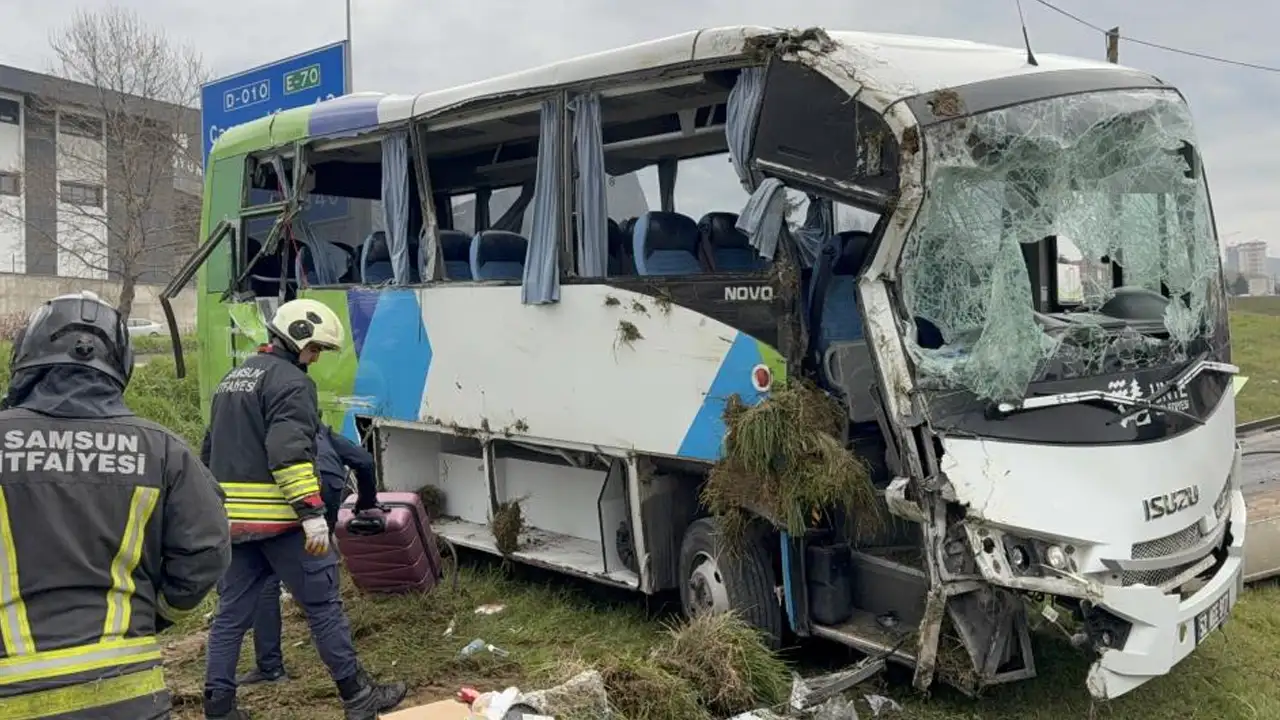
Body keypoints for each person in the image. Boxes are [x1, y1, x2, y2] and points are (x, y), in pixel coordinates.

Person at [0, 291, 230, 719]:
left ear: (27, 355)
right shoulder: (163, 450)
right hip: (129, 695)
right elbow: (206, 550)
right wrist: (157, 613)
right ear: (120, 362)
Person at [200, 299, 405, 720]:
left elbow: (209, 451)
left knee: (230, 617)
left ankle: (219, 709)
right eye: (314, 349)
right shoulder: (293, 383)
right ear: (294, 338)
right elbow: (288, 452)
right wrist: (312, 514)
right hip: (284, 524)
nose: (315, 358)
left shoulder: (232, 379)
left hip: (235, 525)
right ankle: (358, 697)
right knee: (323, 607)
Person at [233, 423, 379, 686]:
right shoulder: (320, 430)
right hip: (326, 487)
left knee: (269, 581)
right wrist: (366, 502)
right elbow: (365, 461)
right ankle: (332, 642)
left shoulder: (253, 430)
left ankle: (270, 666)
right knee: (320, 575)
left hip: (286, 492)